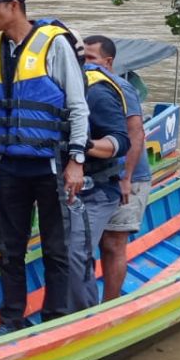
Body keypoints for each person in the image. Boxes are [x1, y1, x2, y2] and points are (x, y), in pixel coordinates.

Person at [0, 0, 89, 333]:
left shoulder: (54, 46)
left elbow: (78, 106)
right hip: (10, 167)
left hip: (50, 164)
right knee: (10, 250)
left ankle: (55, 320)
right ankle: (11, 320)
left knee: (56, 248)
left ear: (14, 6)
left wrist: (76, 161)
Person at [84, 35, 153, 301]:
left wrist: (126, 177)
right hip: (98, 177)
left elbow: (135, 134)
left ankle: (110, 304)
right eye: (83, 58)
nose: (86, 64)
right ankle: (85, 302)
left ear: (108, 61)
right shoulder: (82, 84)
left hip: (128, 177)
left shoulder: (121, 87)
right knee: (86, 246)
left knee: (113, 244)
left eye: (91, 58)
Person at [63, 53, 131, 312]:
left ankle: (84, 318)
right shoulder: (46, 87)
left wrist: (80, 145)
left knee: (77, 253)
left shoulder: (97, 92)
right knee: (64, 253)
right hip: (60, 190)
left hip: (96, 189)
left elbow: (124, 140)